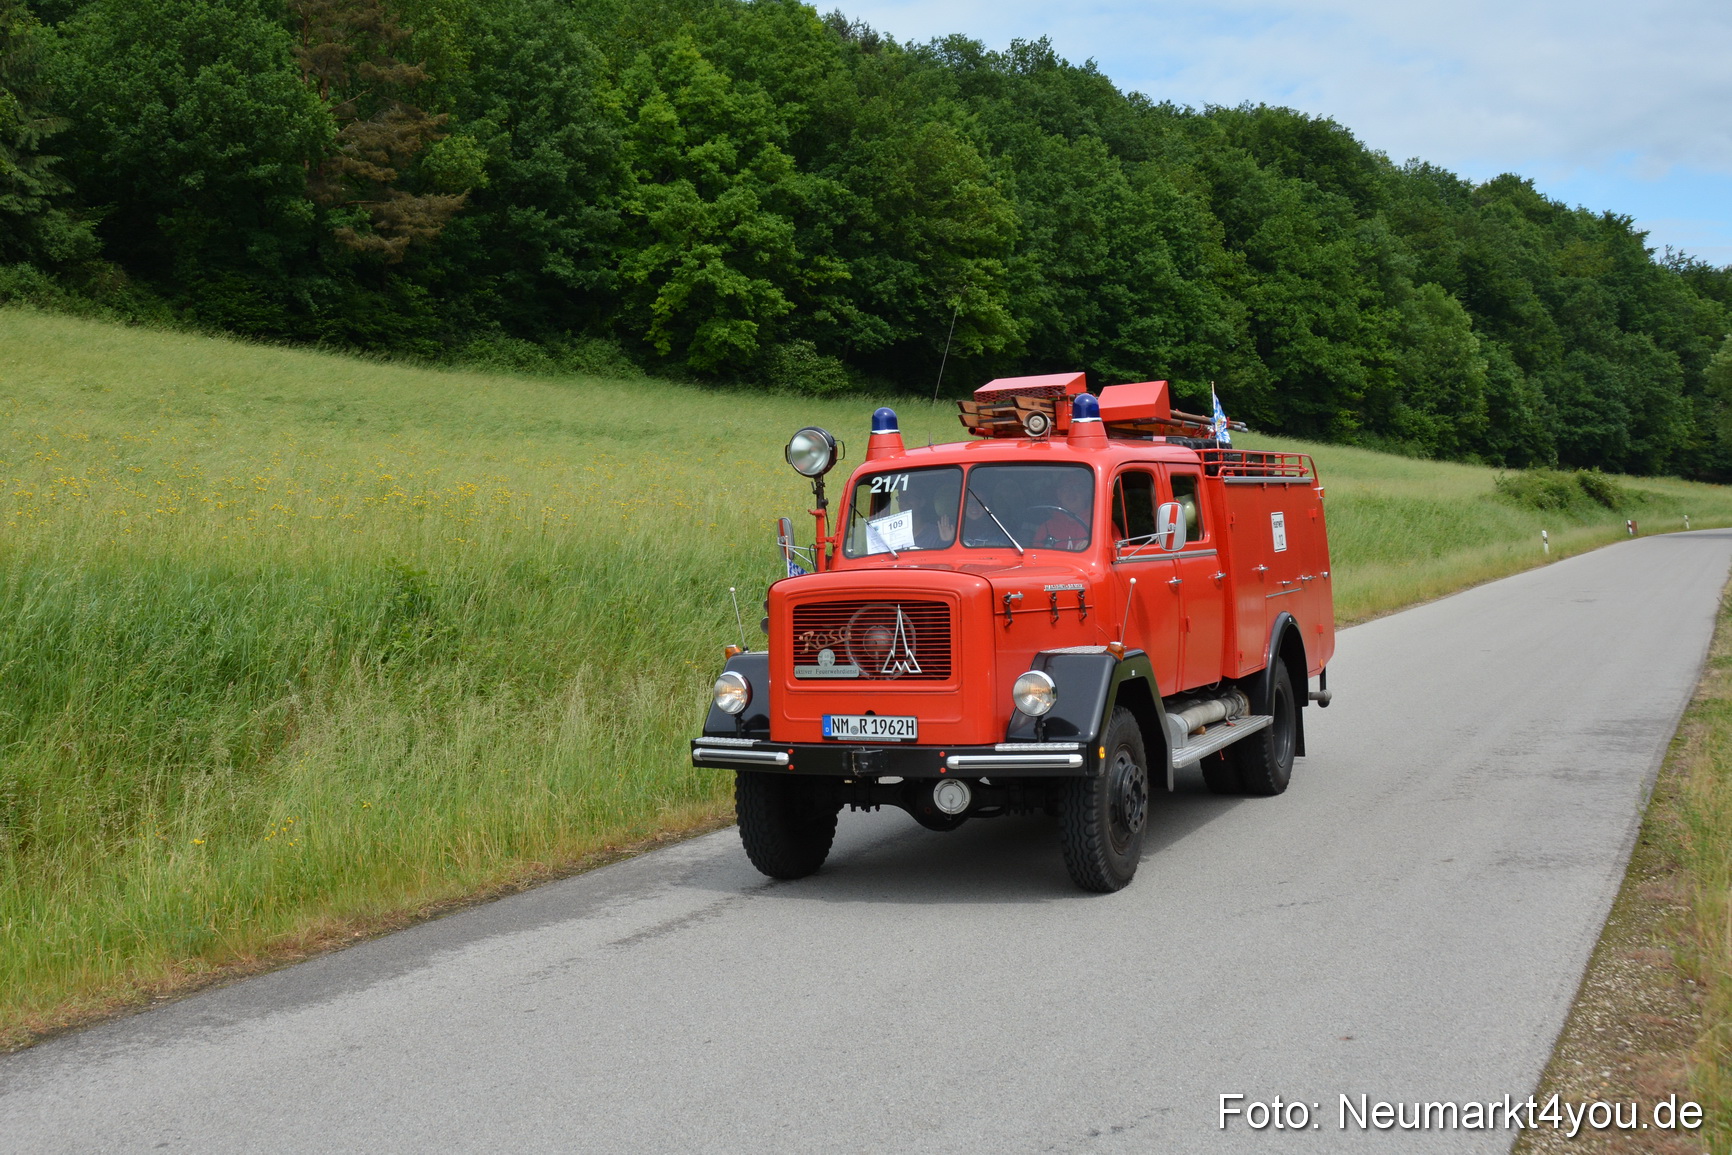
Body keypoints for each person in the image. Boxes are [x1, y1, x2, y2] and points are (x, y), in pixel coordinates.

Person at [1032, 470, 1092, 550]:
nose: (1071, 492)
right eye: (1066, 487)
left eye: (1077, 487)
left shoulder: (1100, 526)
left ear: (1087, 493)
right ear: (1059, 494)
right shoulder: (1046, 528)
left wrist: (1092, 547)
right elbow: (1036, 559)